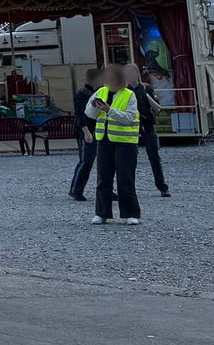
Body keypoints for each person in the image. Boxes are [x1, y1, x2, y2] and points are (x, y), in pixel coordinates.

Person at [86, 64, 140, 225]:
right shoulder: (100, 92)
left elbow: (129, 117)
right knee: (103, 177)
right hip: (104, 140)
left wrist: (109, 110)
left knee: (126, 178)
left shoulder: (129, 95)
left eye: (110, 76)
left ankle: (130, 213)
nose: (107, 79)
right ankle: (101, 213)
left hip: (125, 142)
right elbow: (88, 112)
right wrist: (96, 108)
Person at [133, 65, 170, 197]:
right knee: (130, 159)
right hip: (132, 128)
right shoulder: (124, 91)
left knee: (154, 157)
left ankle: (162, 186)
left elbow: (157, 108)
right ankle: (129, 187)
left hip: (147, 126)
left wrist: (147, 96)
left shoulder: (146, 88)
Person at [68, 67, 100, 201]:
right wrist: (86, 132)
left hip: (97, 131)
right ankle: (76, 189)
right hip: (87, 132)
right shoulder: (83, 94)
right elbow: (80, 115)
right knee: (86, 162)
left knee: (100, 162)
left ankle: (106, 189)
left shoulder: (96, 93)